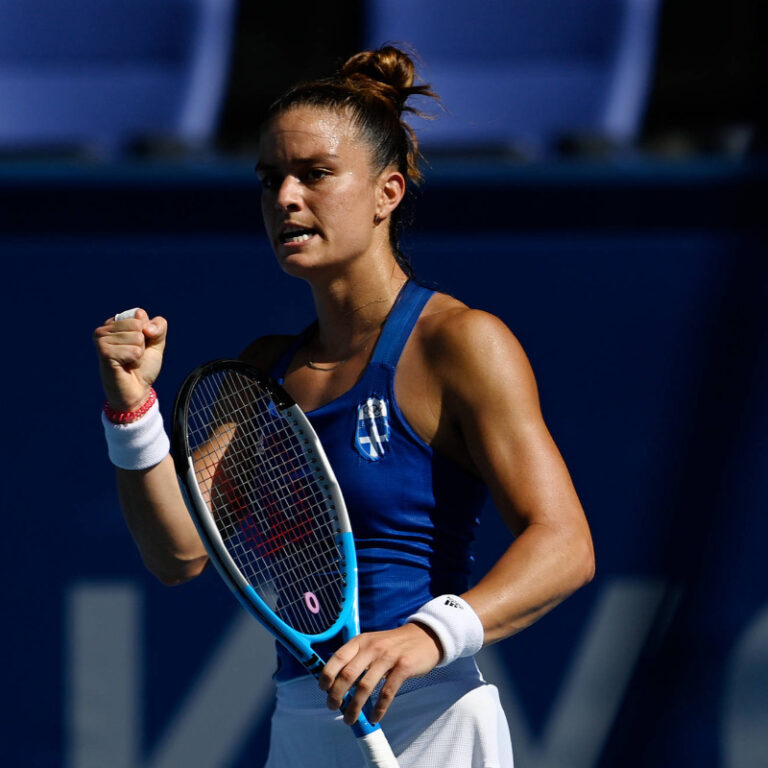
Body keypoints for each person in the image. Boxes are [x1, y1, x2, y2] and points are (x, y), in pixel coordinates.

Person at [94, 46, 594, 767]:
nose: (287, 199)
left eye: (316, 175)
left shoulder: (460, 343)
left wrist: (427, 635)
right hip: (303, 725)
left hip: (434, 722)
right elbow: (177, 552)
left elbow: (566, 547)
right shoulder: (262, 375)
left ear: (387, 192)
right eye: (272, 180)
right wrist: (133, 407)